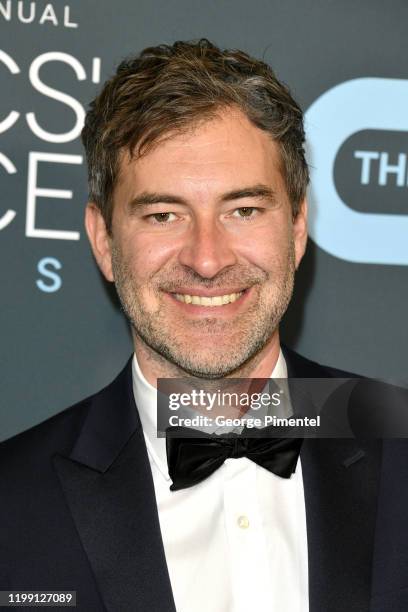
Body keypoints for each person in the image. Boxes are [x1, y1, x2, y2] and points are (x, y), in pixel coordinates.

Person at [0, 39, 406, 612]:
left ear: (295, 228)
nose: (207, 259)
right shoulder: (12, 507)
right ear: (104, 242)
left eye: (243, 210)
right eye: (163, 215)